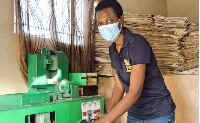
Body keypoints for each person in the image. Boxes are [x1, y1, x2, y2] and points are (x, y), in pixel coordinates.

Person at [92, 0, 176, 123]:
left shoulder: (137, 43)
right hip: (135, 113)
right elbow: (119, 86)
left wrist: (105, 121)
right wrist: (108, 114)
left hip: (158, 112)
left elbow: (135, 91)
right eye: (100, 23)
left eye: (109, 20)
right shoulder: (112, 50)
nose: (105, 26)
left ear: (121, 19)